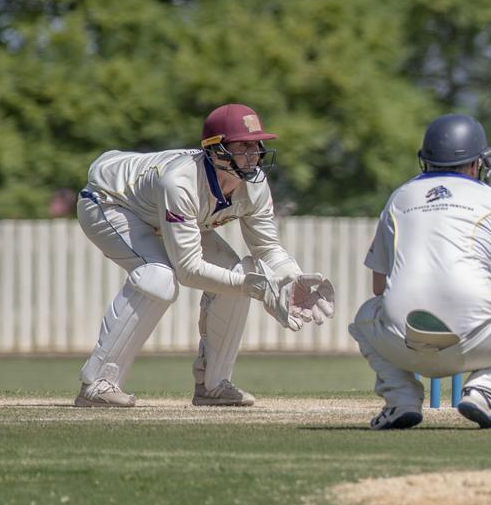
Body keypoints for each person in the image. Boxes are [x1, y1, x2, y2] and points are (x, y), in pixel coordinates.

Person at [73, 103, 335, 408]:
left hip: (164, 212)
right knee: (158, 279)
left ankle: (213, 384)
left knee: (234, 272)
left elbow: (266, 249)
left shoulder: (255, 184)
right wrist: (256, 286)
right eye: (242, 146)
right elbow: (188, 270)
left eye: (256, 145)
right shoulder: (181, 182)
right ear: (216, 150)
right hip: (109, 203)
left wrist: (291, 278)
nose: (253, 155)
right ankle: (97, 383)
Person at [349, 114, 491, 430]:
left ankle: (400, 399)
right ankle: (488, 390)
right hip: (475, 344)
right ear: (476, 163)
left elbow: (379, 287)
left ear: (425, 160)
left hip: (403, 342)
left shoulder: (400, 197)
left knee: (363, 320)